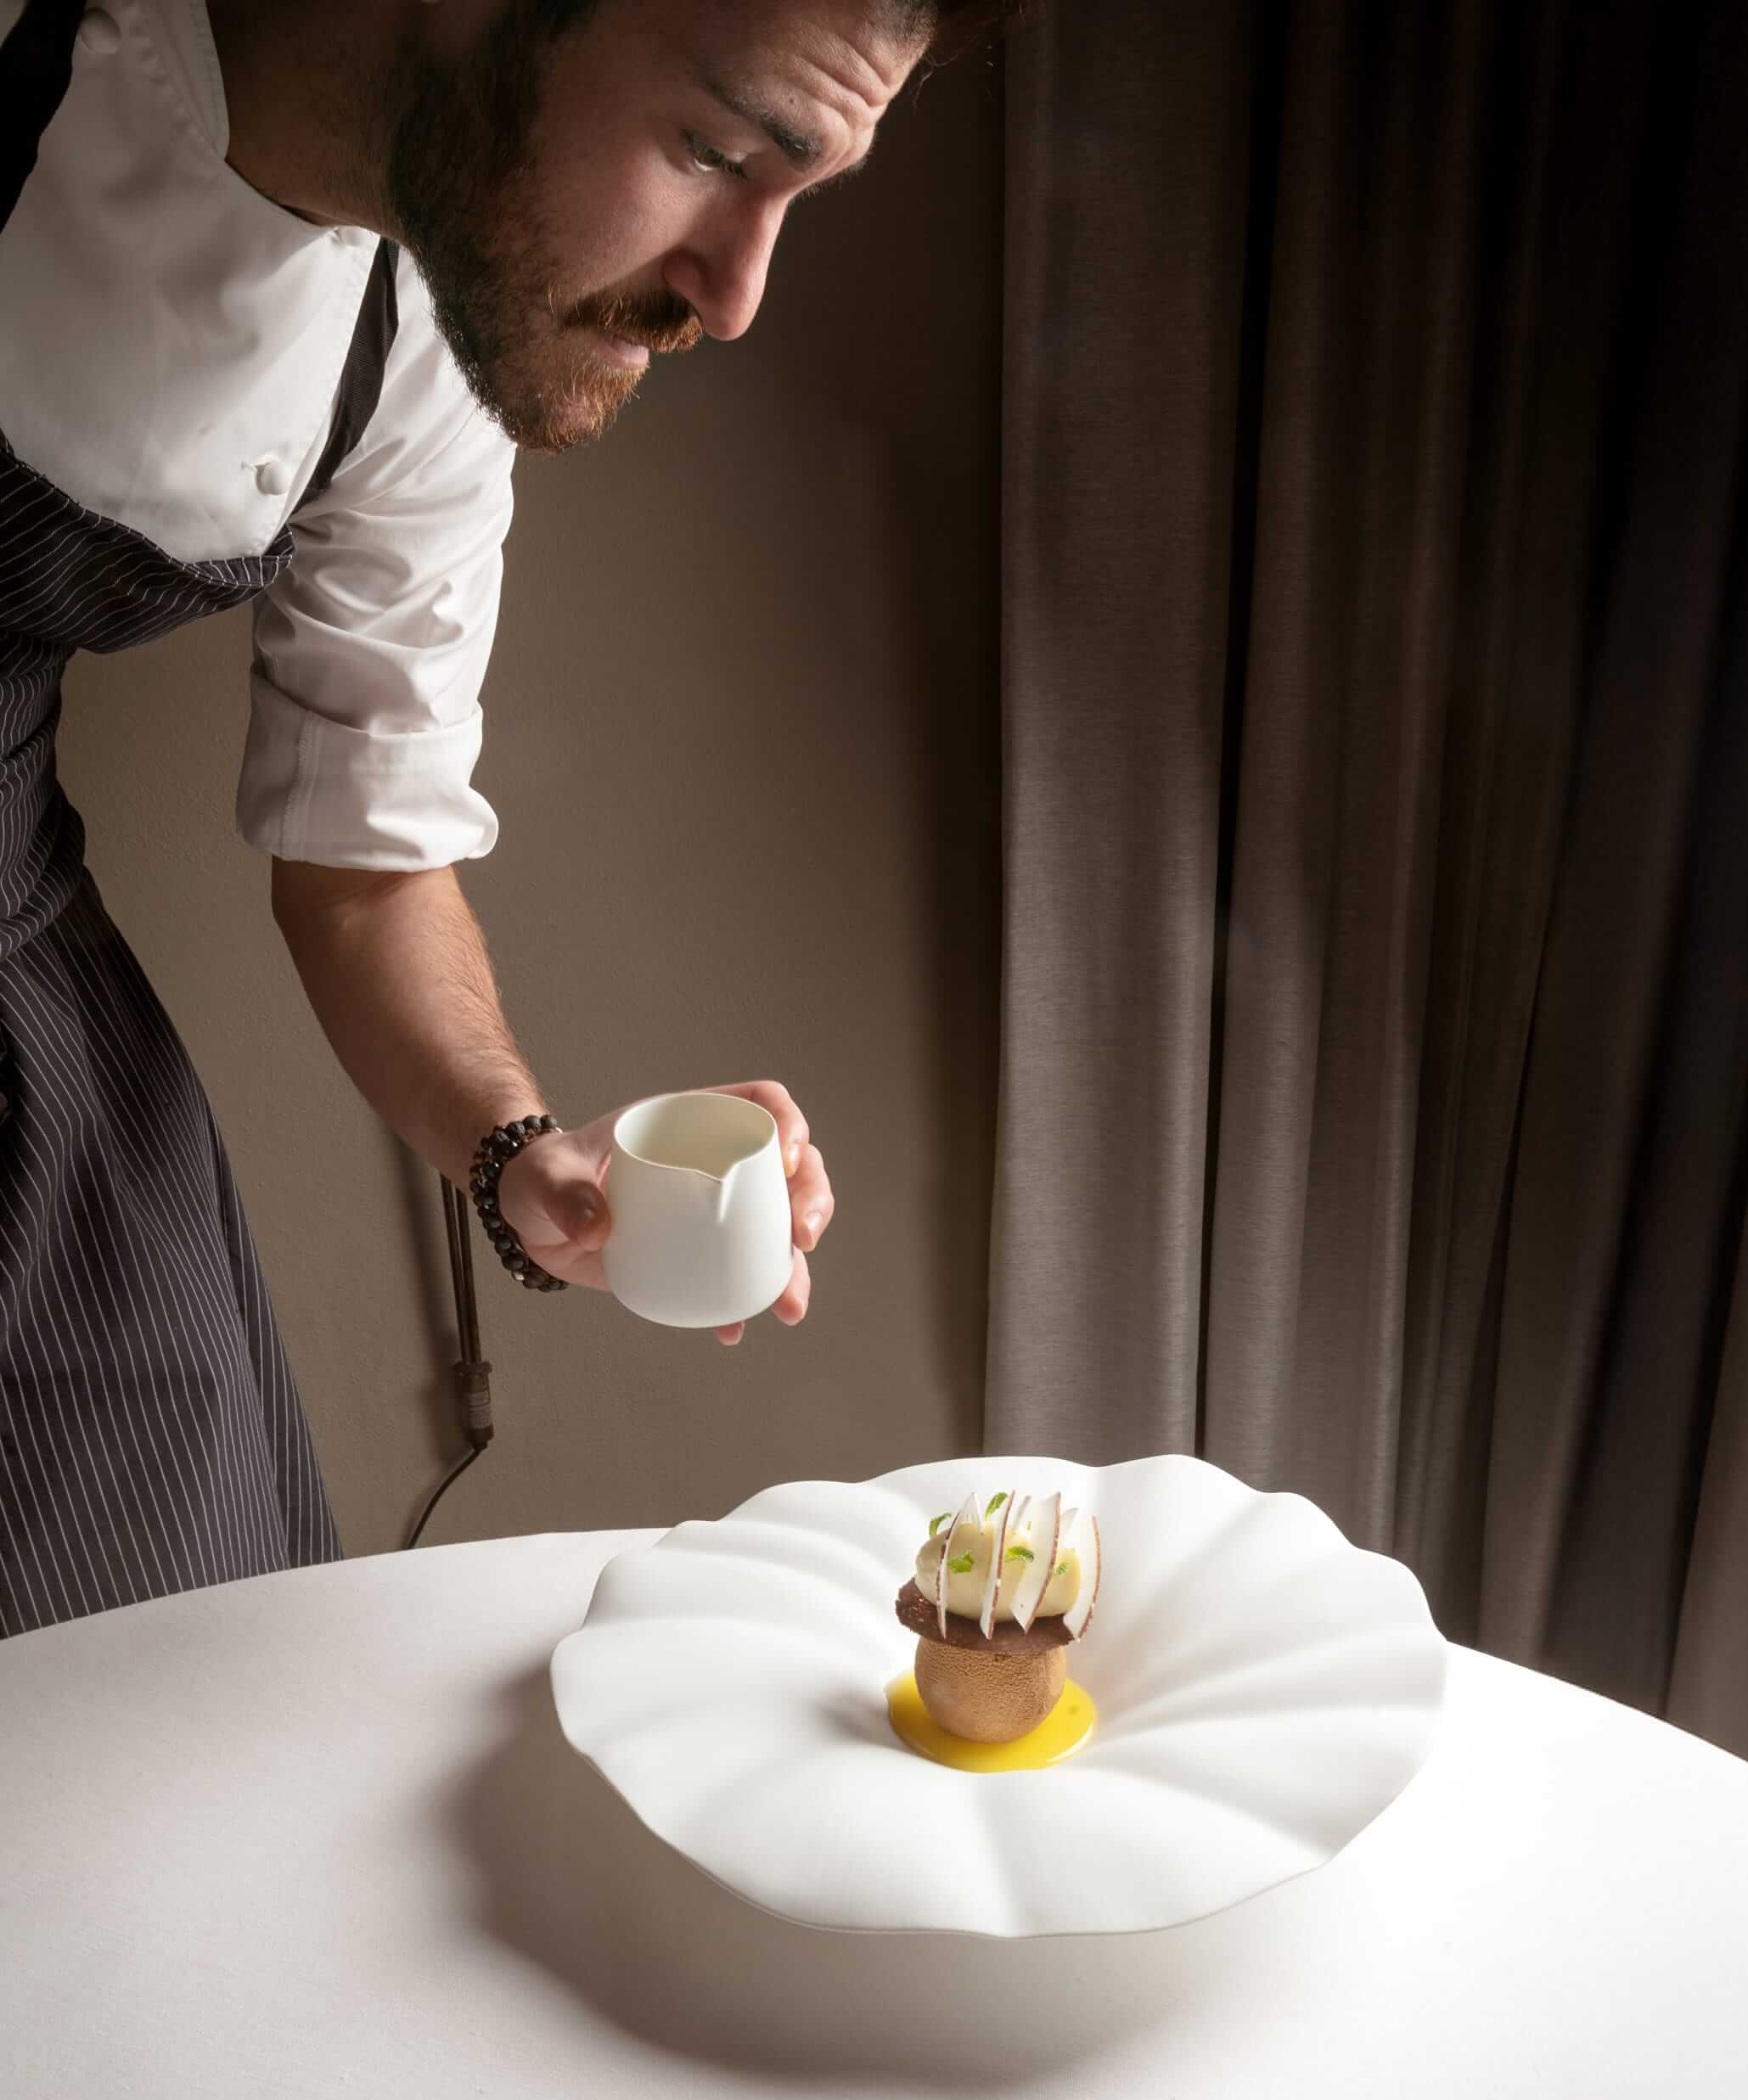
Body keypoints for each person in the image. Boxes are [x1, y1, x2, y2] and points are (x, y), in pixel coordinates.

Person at [0, 0, 1003, 1636]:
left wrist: (526, 1152)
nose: (737, 295)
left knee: (168, 1690)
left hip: (24, 1052)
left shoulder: (419, 349)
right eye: (713, 149)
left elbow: (364, 860)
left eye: (795, 195)